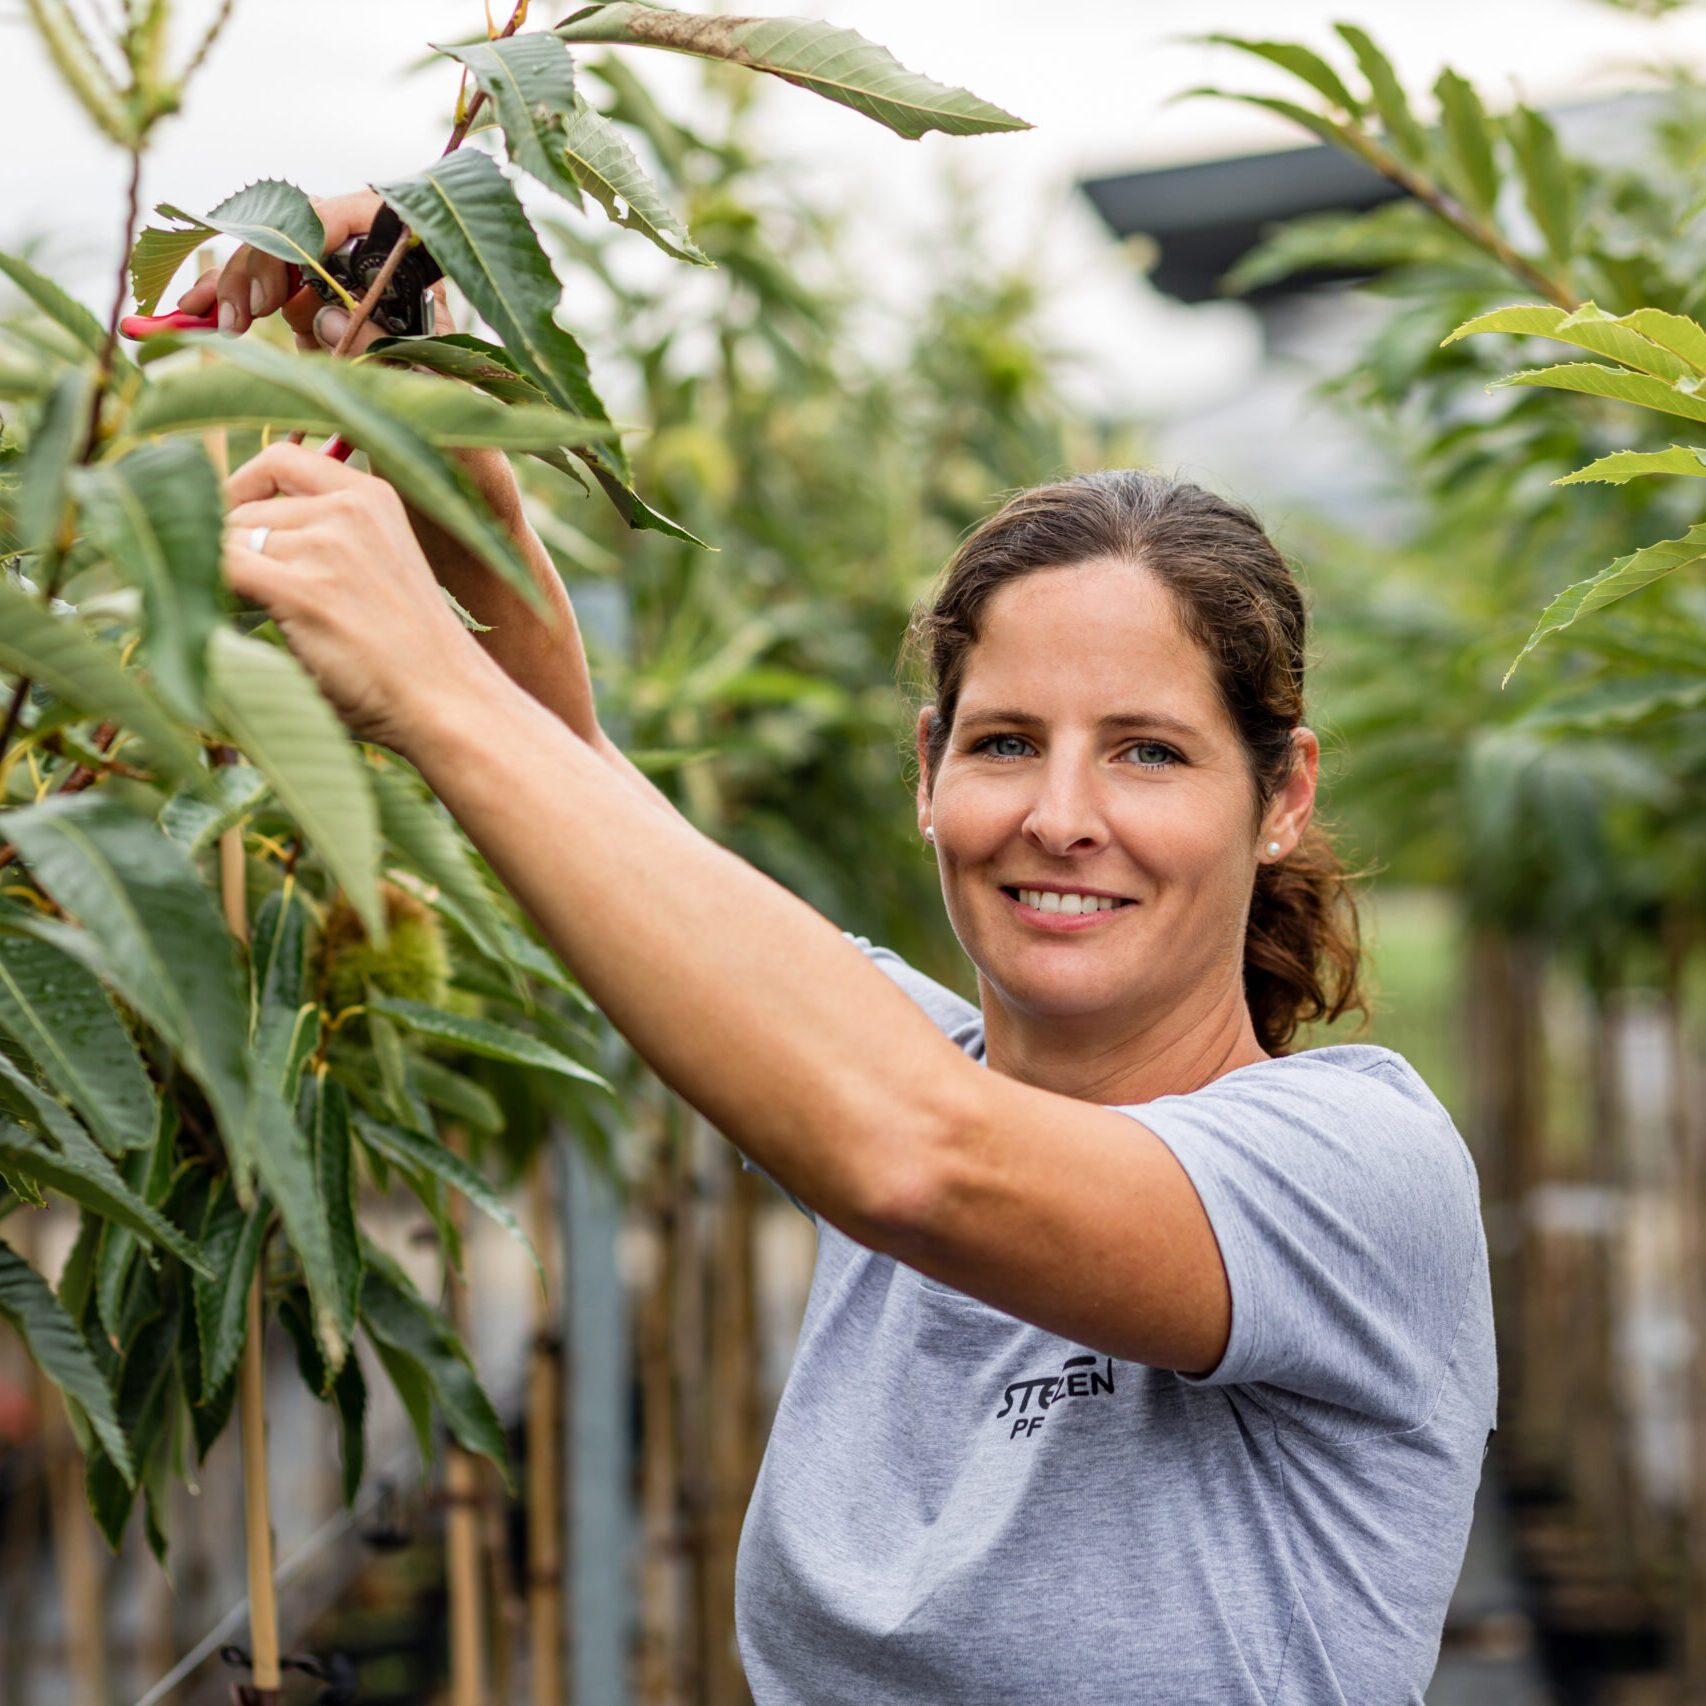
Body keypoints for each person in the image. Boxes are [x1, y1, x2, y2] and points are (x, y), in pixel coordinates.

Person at [184, 198, 1498, 1705]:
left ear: (1282, 796)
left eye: (1147, 753)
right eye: (1005, 743)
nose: (1061, 816)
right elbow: (575, 776)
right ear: (925, 771)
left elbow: (916, 1158)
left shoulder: (1350, 1168)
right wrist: (411, 354)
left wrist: (415, 677)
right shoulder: (899, 1055)